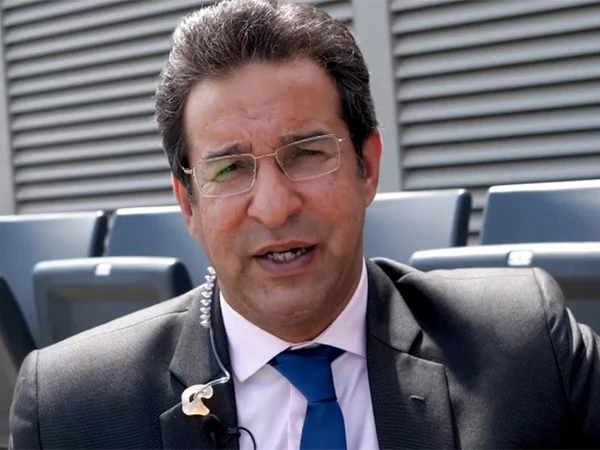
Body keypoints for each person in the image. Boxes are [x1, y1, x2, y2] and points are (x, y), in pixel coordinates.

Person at [9, 0, 600, 448]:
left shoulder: (527, 346)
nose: (273, 207)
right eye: (229, 168)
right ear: (188, 203)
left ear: (368, 166)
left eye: (308, 153)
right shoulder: (70, 408)